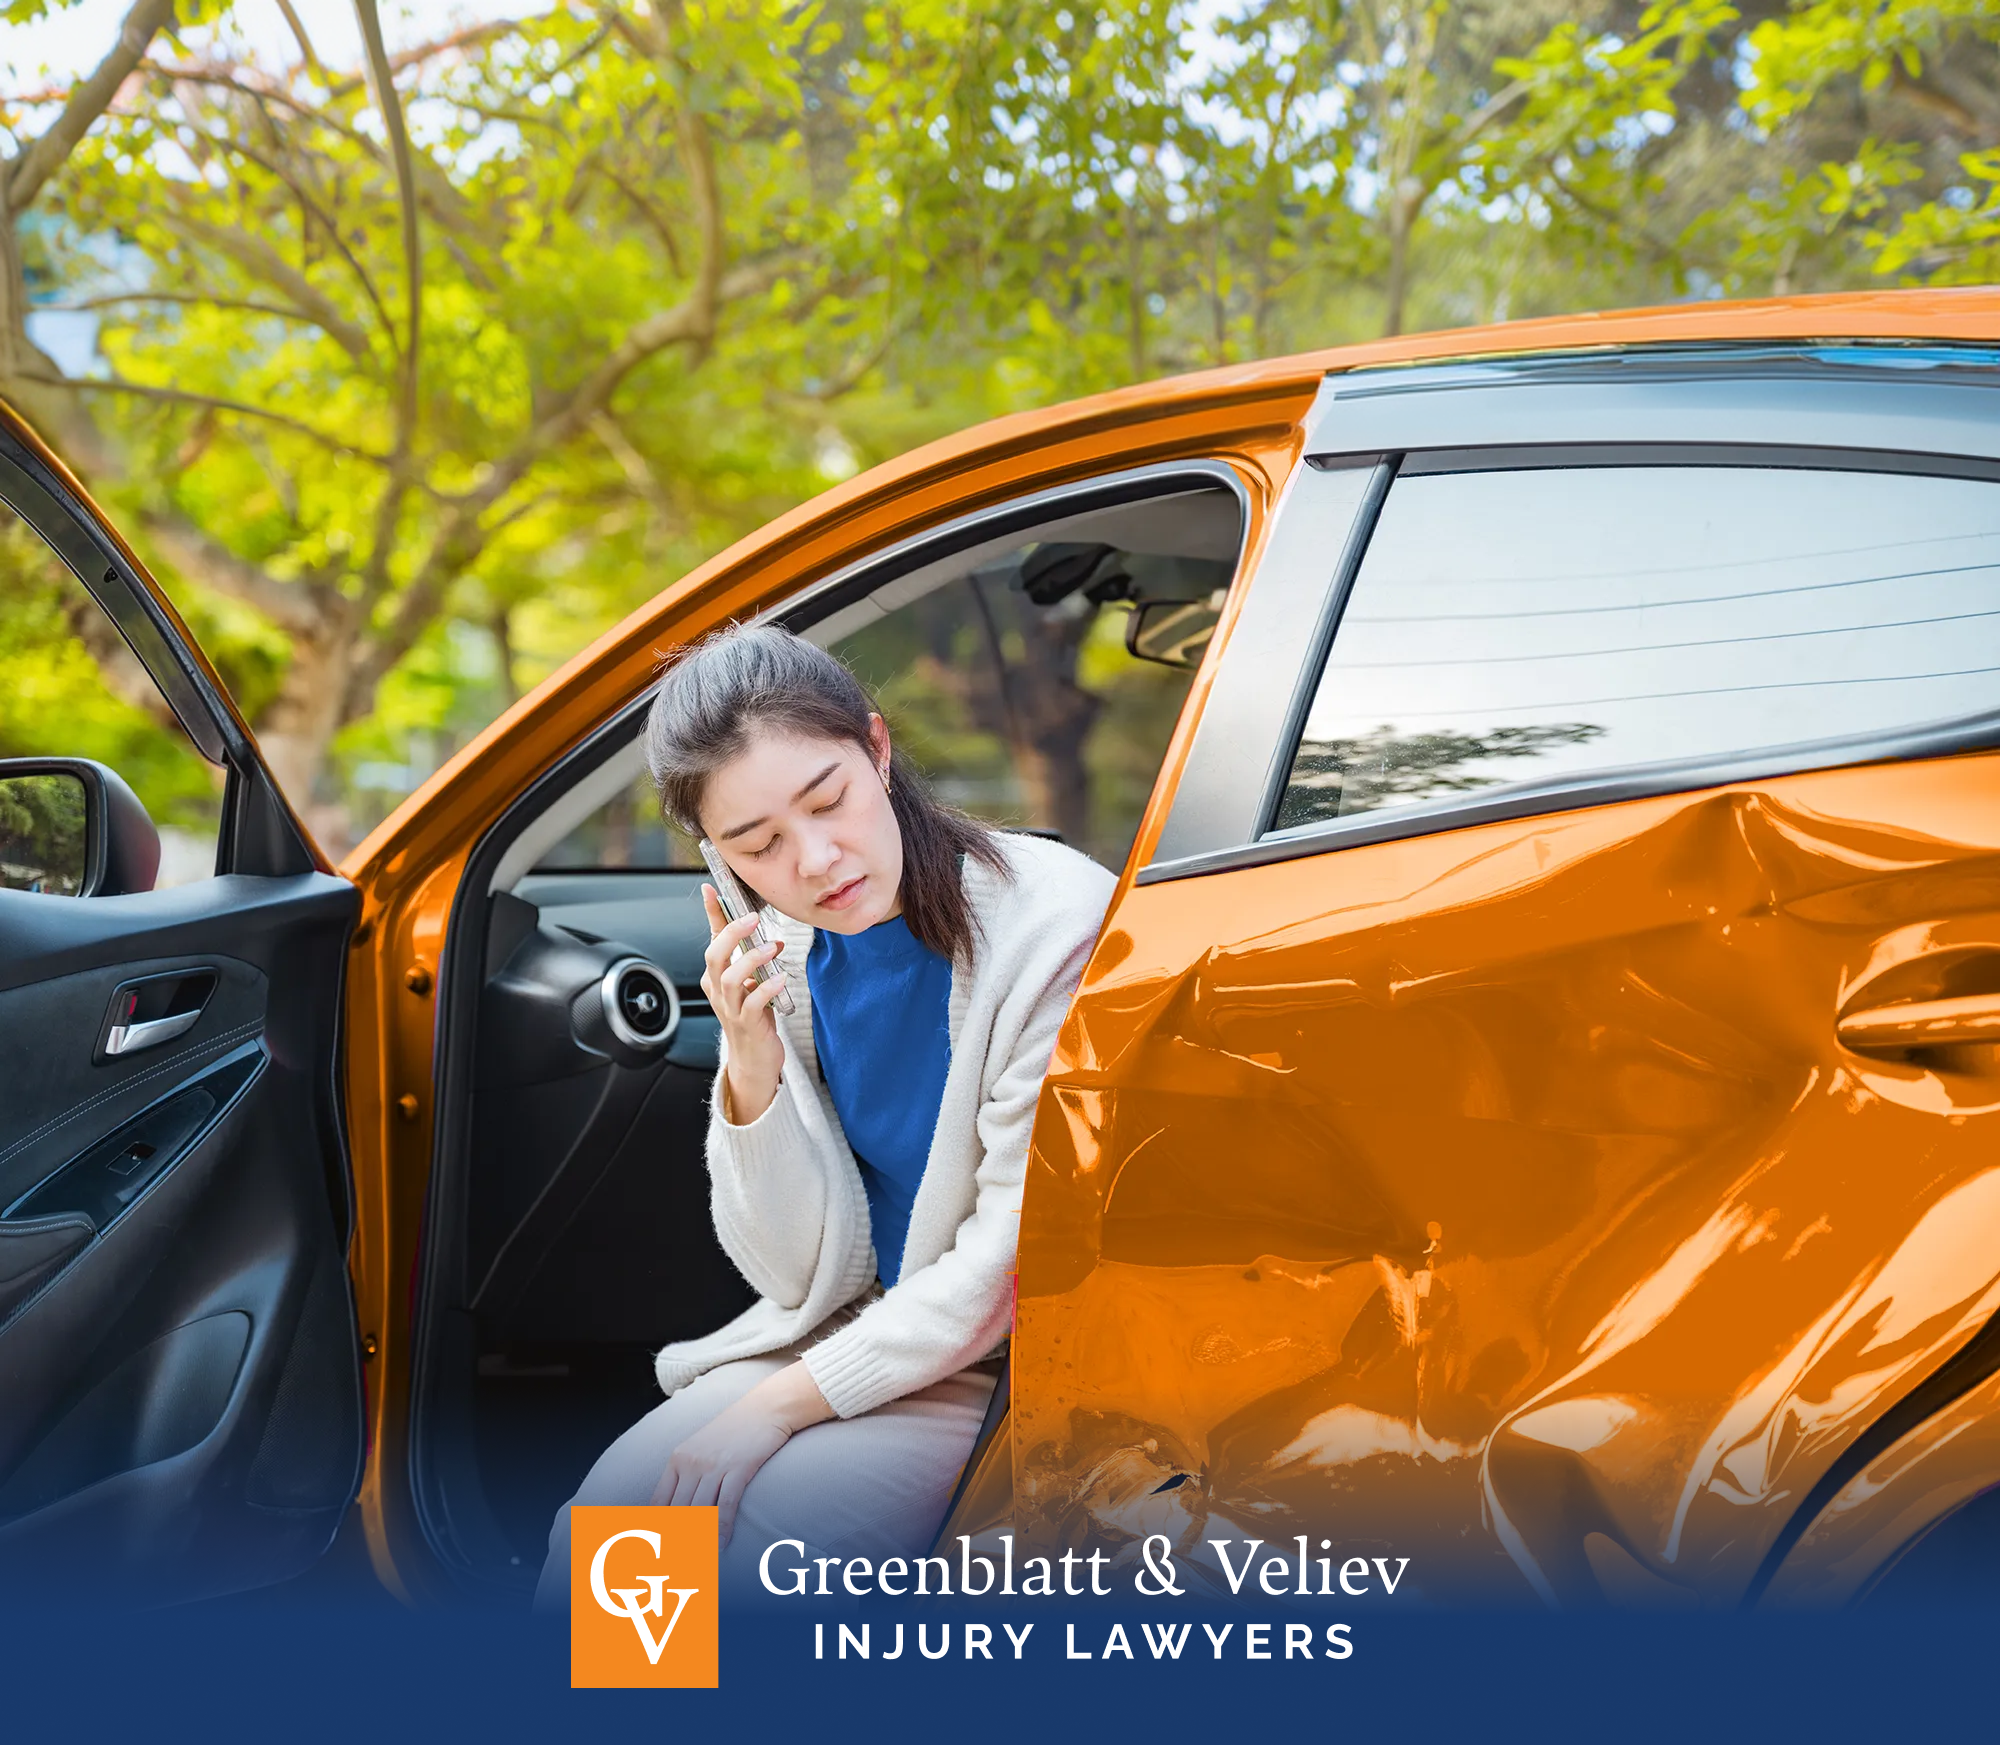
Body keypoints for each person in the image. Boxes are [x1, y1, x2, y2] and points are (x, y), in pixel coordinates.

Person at [535, 622, 1114, 1608]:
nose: (814, 859)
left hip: (1007, 1353)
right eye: (757, 843)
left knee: (757, 1564)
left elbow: (1007, 1265)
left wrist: (772, 1407)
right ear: (714, 853)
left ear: (877, 749)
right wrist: (752, 1064)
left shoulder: (1049, 925)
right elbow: (792, 1273)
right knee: (609, 1542)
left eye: (828, 799)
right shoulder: (788, 955)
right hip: (864, 1328)